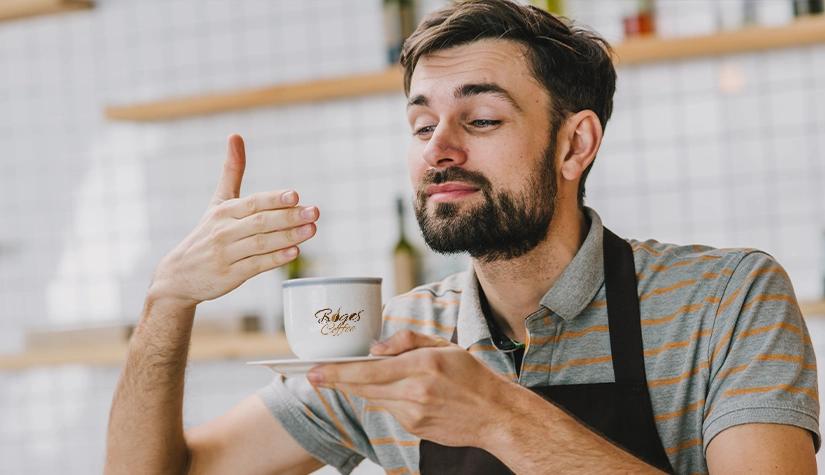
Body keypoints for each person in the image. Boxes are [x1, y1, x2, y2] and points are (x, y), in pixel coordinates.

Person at [105, 1, 820, 473]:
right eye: (421, 125)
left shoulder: (727, 301)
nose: (438, 149)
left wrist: (499, 415)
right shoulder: (396, 341)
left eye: (478, 120)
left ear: (575, 145)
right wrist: (168, 300)